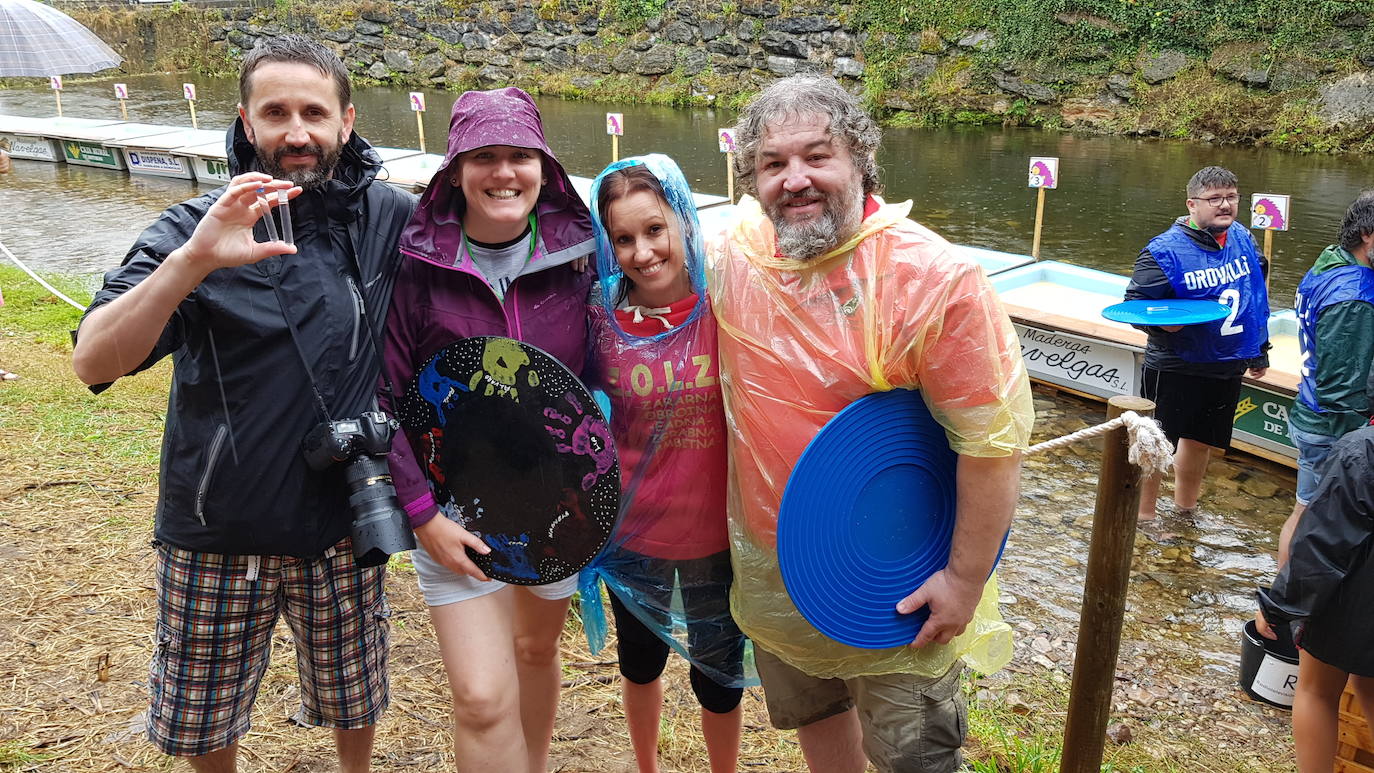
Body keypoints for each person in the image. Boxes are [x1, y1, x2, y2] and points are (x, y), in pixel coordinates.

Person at [71, 36, 415, 771]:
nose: (297, 132)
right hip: (218, 526)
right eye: (277, 112)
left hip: (344, 523)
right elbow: (93, 359)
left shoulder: (387, 216)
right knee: (205, 721)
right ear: (246, 122)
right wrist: (194, 260)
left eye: (314, 112)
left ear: (347, 121)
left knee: (355, 697)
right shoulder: (193, 228)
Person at [707, 74, 1033, 773]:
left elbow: (993, 443)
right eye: (772, 163)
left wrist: (965, 579)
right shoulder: (739, 257)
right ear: (751, 178)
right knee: (821, 728)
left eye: (816, 155)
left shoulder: (932, 279)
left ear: (860, 158)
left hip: (901, 580)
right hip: (783, 575)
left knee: (917, 756)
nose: (794, 180)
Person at [379, 86, 595, 773]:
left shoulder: (584, 257)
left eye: (519, 156)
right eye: (485, 157)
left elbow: (609, 371)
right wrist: (421, 514)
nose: (504, 173)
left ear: (545, 166)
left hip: (558, 511)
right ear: (454, 172)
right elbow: (383, 400)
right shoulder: (415, 266)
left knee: (535, 651)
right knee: (478, 695)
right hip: (452, 513)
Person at [579, 155, 746, 773]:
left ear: (684, 221)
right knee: (639, 662)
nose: (643, 252)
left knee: (719, 677)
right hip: (634, 536)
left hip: (717, 541)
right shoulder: (600, 318)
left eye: (655, 230)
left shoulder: (728, 308)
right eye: (622, 238)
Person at [1124, 166, 1270, 522]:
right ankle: (1144, 518)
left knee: (1201, 440)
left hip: (1225, 361)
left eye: (1232, 197)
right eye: (1214, 199)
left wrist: (1259, 348)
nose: (1225, 205)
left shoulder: (1243, 238)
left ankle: (1184, 509)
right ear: (1192, 204)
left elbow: (1254, 295)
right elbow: (1135, 305)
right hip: (1176, 364)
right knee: (1158, 443)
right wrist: (1161, 329)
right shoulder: (1163, 251)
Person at [1257, 424, 1374, 772]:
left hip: (1353, 599)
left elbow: (1321, 546)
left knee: (1315, 692)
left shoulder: (1362, 449)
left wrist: (1277, 605)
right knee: (1369, 686)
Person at [1278, 191, 1374, 563]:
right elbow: (1341, 387)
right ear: (1367, 234)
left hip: (1309, 410)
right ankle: (1284, 610)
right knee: (1315, 520)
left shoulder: (1329, 263)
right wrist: (1360, 449)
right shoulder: (1355, 298)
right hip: (1330, 426)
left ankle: (1282, 607)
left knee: (1304, 510)